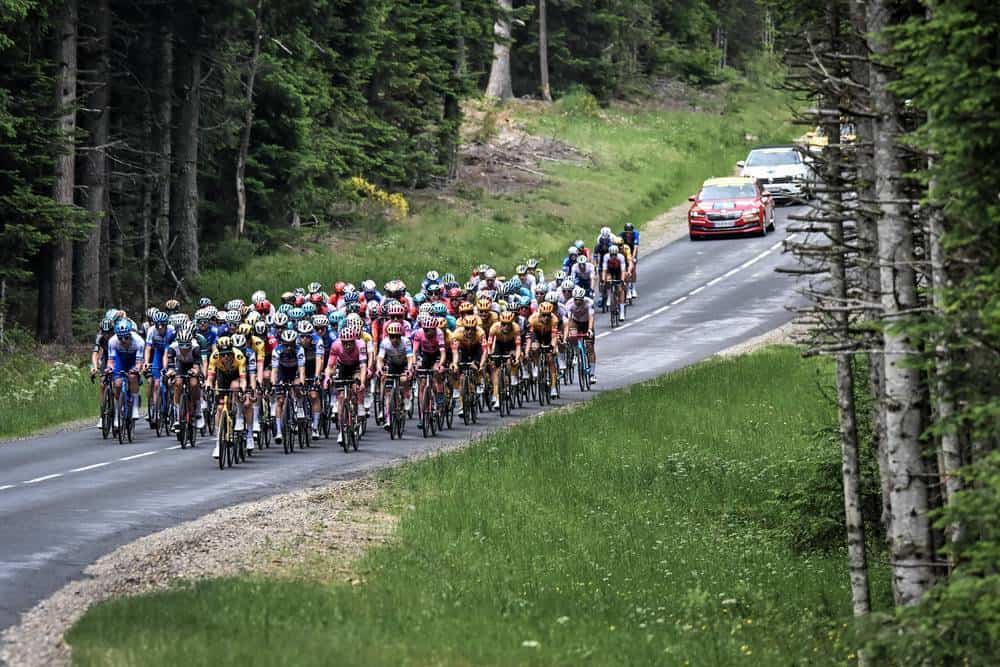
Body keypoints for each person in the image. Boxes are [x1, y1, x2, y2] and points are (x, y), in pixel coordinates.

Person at [206, 336, 251, 459]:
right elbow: (210, 377)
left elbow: (243, 379)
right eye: (223, 355)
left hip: (235, 376)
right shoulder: (214, 357)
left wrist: (242, 388)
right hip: (222, 377)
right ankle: (218, 443)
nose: (226, 357)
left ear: (232, 351)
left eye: (228, 354)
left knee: (235, 386)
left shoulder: (239, 356)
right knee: (220, 408)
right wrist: (208, 386)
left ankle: (239, 416)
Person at [323, 325, 368, 446]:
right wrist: (327, 378)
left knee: (356, 385)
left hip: (356, 366)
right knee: (342, 398)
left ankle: (358, 409)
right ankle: (341, 431)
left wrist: (362, 383)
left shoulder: (361, 345)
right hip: (342, 367)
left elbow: (363, 367)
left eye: (350, 343)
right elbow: (330, 366)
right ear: (341, 342)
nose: (348, 346)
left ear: (354, 341)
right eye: (345, 343)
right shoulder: (336, 345)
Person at [105, 320, 145, 428]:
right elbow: (111, 361)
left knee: (133, 376)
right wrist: (109, 368)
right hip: (120, 359)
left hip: (133, 359)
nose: (123, 340)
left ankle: (135, 405)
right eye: (120, 338)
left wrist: (137, 369)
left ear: (130, 335)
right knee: (117, 384)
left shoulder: (139, 341)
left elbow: (139, 362)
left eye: (126, 337)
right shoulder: (112, 341)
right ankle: (117, 414)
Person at [376, 320, 414, 429]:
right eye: (392, 337)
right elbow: (380, 358)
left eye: (397, 337)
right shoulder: (385, 342)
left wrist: (409, 369)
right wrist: (379, 368)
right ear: (389, 336)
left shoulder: (406, 341)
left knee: (404, 379)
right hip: (392, 364)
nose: (395, 340)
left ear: (400, 336)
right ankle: (388, 419)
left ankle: (406, 397)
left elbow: (410, 357)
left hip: (404, 364)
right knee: (388, 393)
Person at [165, 326, 204, 431]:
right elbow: (170, 366)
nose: (185, 349)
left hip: (192, 365)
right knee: (177, 383)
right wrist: (170, 372)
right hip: (180, 364)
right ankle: (177, 415)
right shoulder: (173, 348)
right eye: (182, 346)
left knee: (194, 384)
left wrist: (195, 372)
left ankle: (198, 410)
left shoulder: (195, 347)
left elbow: (196, 367)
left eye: (187, 346)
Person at [411, 314, 447, 427]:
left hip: (436, 355)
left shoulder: (439, 333)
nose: (428, 333)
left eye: (430, 330)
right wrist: (414, 363)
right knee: (422, 384)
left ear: (434, 329)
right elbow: (414, 351)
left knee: (436, 372)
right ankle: (423, 413)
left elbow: (443, 353)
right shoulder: (419, 333)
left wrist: (440, 364)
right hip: (425, 355)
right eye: (425, 330)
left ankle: (440, 397)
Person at [487, 310, 522, 410]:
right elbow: (489, 345)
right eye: (503, 324)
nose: (506, 327)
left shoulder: (516, 328)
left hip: (510, 345)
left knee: (510, 360)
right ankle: (497, 397)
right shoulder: (494, 327)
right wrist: (490, 355)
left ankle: (512, 375)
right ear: (500, 323)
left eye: (508, 324)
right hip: (499, 345)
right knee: (496, 369)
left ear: (512, 324)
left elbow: (518, 346)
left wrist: (516, 358)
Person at [527, 301, 561, 398]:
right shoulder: (532, 319)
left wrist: (552, 346)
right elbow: (531, 335)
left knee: (550, 358)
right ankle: (536, 366)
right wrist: (532, 345)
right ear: (539, 313)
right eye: (543, 315)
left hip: (548, 336)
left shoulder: (554, 320)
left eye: (548, 315)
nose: (546, 318)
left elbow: (554, 336)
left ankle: (553, 387)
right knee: (535, 347)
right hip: (537, 334)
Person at [563, 286, 597, 383]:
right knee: (572, 335)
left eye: (580, 300)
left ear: (583, 298)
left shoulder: (589, 302)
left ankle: (592, 374)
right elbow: (569, 320)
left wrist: (590, 329)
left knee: (590, 347)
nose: (578, 302)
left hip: (586, 323)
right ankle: (575, 353)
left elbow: (591, 317)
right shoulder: (569, 304)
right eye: (576, 300)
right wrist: (569, 331)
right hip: (576, 322)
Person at [90, 318, 115, 427]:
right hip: (106, 357)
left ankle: (118, 407)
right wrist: (95, 367)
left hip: (117, 357)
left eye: (109, 332)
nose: (106, 335)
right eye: (104, 332)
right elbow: (95, 353)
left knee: (116, 383)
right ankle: (102, 415)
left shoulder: (116, 337)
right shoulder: (99, 337)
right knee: (102, 384)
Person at [601, 244, 627, 322]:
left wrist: (622, 280)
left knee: (620, 290)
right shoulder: (606, 257)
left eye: (614, 255)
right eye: (611, 255)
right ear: (609, 254)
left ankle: (622, 312)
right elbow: (604, 270)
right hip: (610, 271)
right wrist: (603, 280)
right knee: (607, 280)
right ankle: (610, 296)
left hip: (619, 271)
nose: (613, 256)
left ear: (617, 254)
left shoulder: (621, 257)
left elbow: (623, 271)